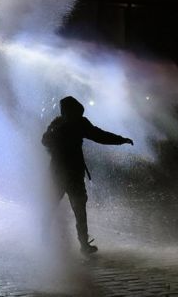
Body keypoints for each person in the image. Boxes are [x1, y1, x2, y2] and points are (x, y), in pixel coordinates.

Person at [42, 96, 133, 254]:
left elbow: (99, 135)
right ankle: (45, 238)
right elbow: (45, 141)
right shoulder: (60, 123)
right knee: (55, 206)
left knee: (78, 208)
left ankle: (82, 243)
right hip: (61, 173)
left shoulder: (76, 122)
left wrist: (120, 140)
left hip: (71, 174)